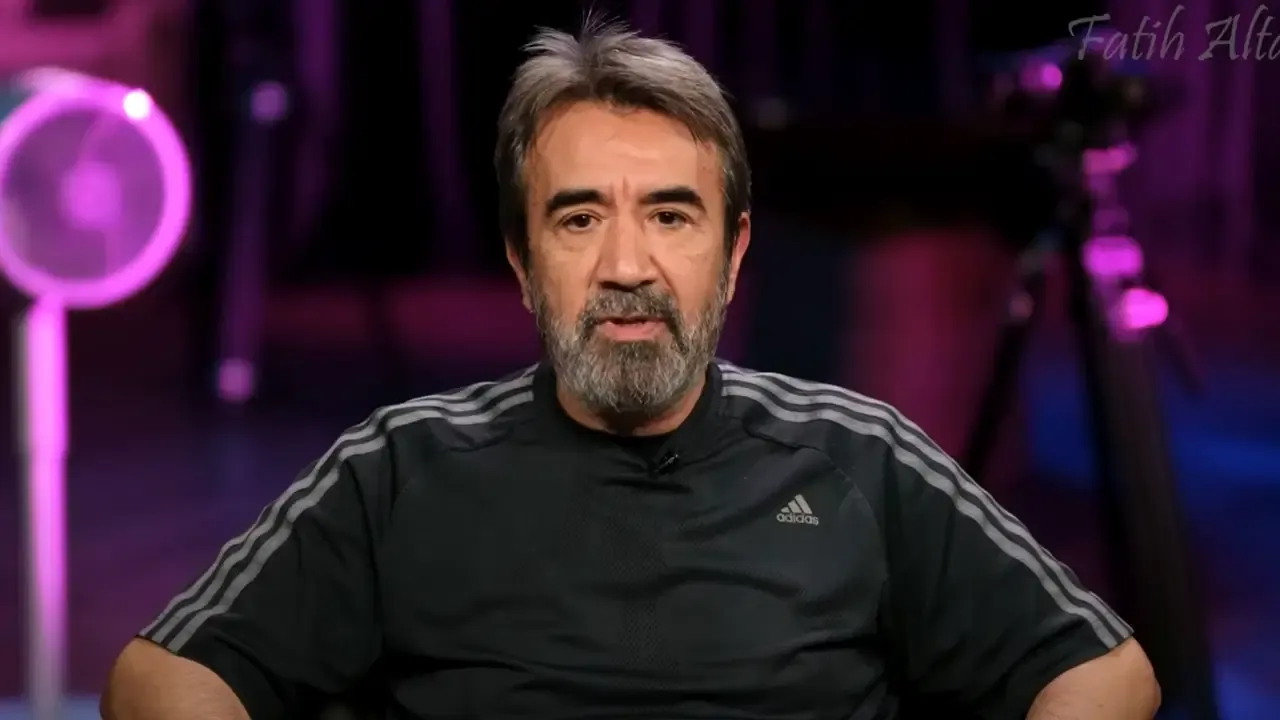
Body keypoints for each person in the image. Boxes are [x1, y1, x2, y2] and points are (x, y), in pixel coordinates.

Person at [103, 17, 1160, 720]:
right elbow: (161, 680)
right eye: (578, 219)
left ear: (732, 255)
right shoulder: (398, 469)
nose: (626, 266)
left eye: (669, 215)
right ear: (523, 262)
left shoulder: (858, 458)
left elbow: (1105, 674)